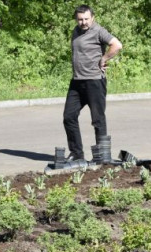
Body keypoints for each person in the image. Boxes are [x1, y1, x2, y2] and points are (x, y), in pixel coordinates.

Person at [62, 4, 122, 162]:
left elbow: (117, 45)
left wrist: (104, 58)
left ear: (92, 18)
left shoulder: (98, 31)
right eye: (80, 19)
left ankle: (102, 157)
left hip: (94, 81)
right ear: (76, 19)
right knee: (69, 117)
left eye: (86, 19)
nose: (83, 22)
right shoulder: (76, 31)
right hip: (76, 82)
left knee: (98, 120)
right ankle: (77, 154)